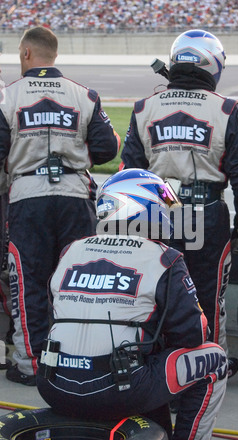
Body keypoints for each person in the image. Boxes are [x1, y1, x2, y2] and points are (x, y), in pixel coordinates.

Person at [36, 168, 228, 440]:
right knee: (215, 359)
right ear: (141, 208)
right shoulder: (164, 257)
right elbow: (194, 334)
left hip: (53, 385)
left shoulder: (71, 250)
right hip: (120, 388)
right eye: (163, 205)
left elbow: (59, 315)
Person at [120, 30, 238, 378]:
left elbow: (127, 175)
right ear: (212, 64)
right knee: (206, 296)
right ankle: (208, 369)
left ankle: (156, 367)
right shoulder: (225, 108)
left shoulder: (144, 107)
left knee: (154, 291)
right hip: (205, 212)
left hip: (157, 213)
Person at [0, 26, 120, 385]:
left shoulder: (7, 97)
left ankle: (31, 365)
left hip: (26, 197)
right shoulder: (84, 95)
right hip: (75, 196)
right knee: (77, 282)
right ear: (54, 56)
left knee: (29, 281)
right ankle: (78, 360)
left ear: (25, 54)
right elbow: (106, 149)